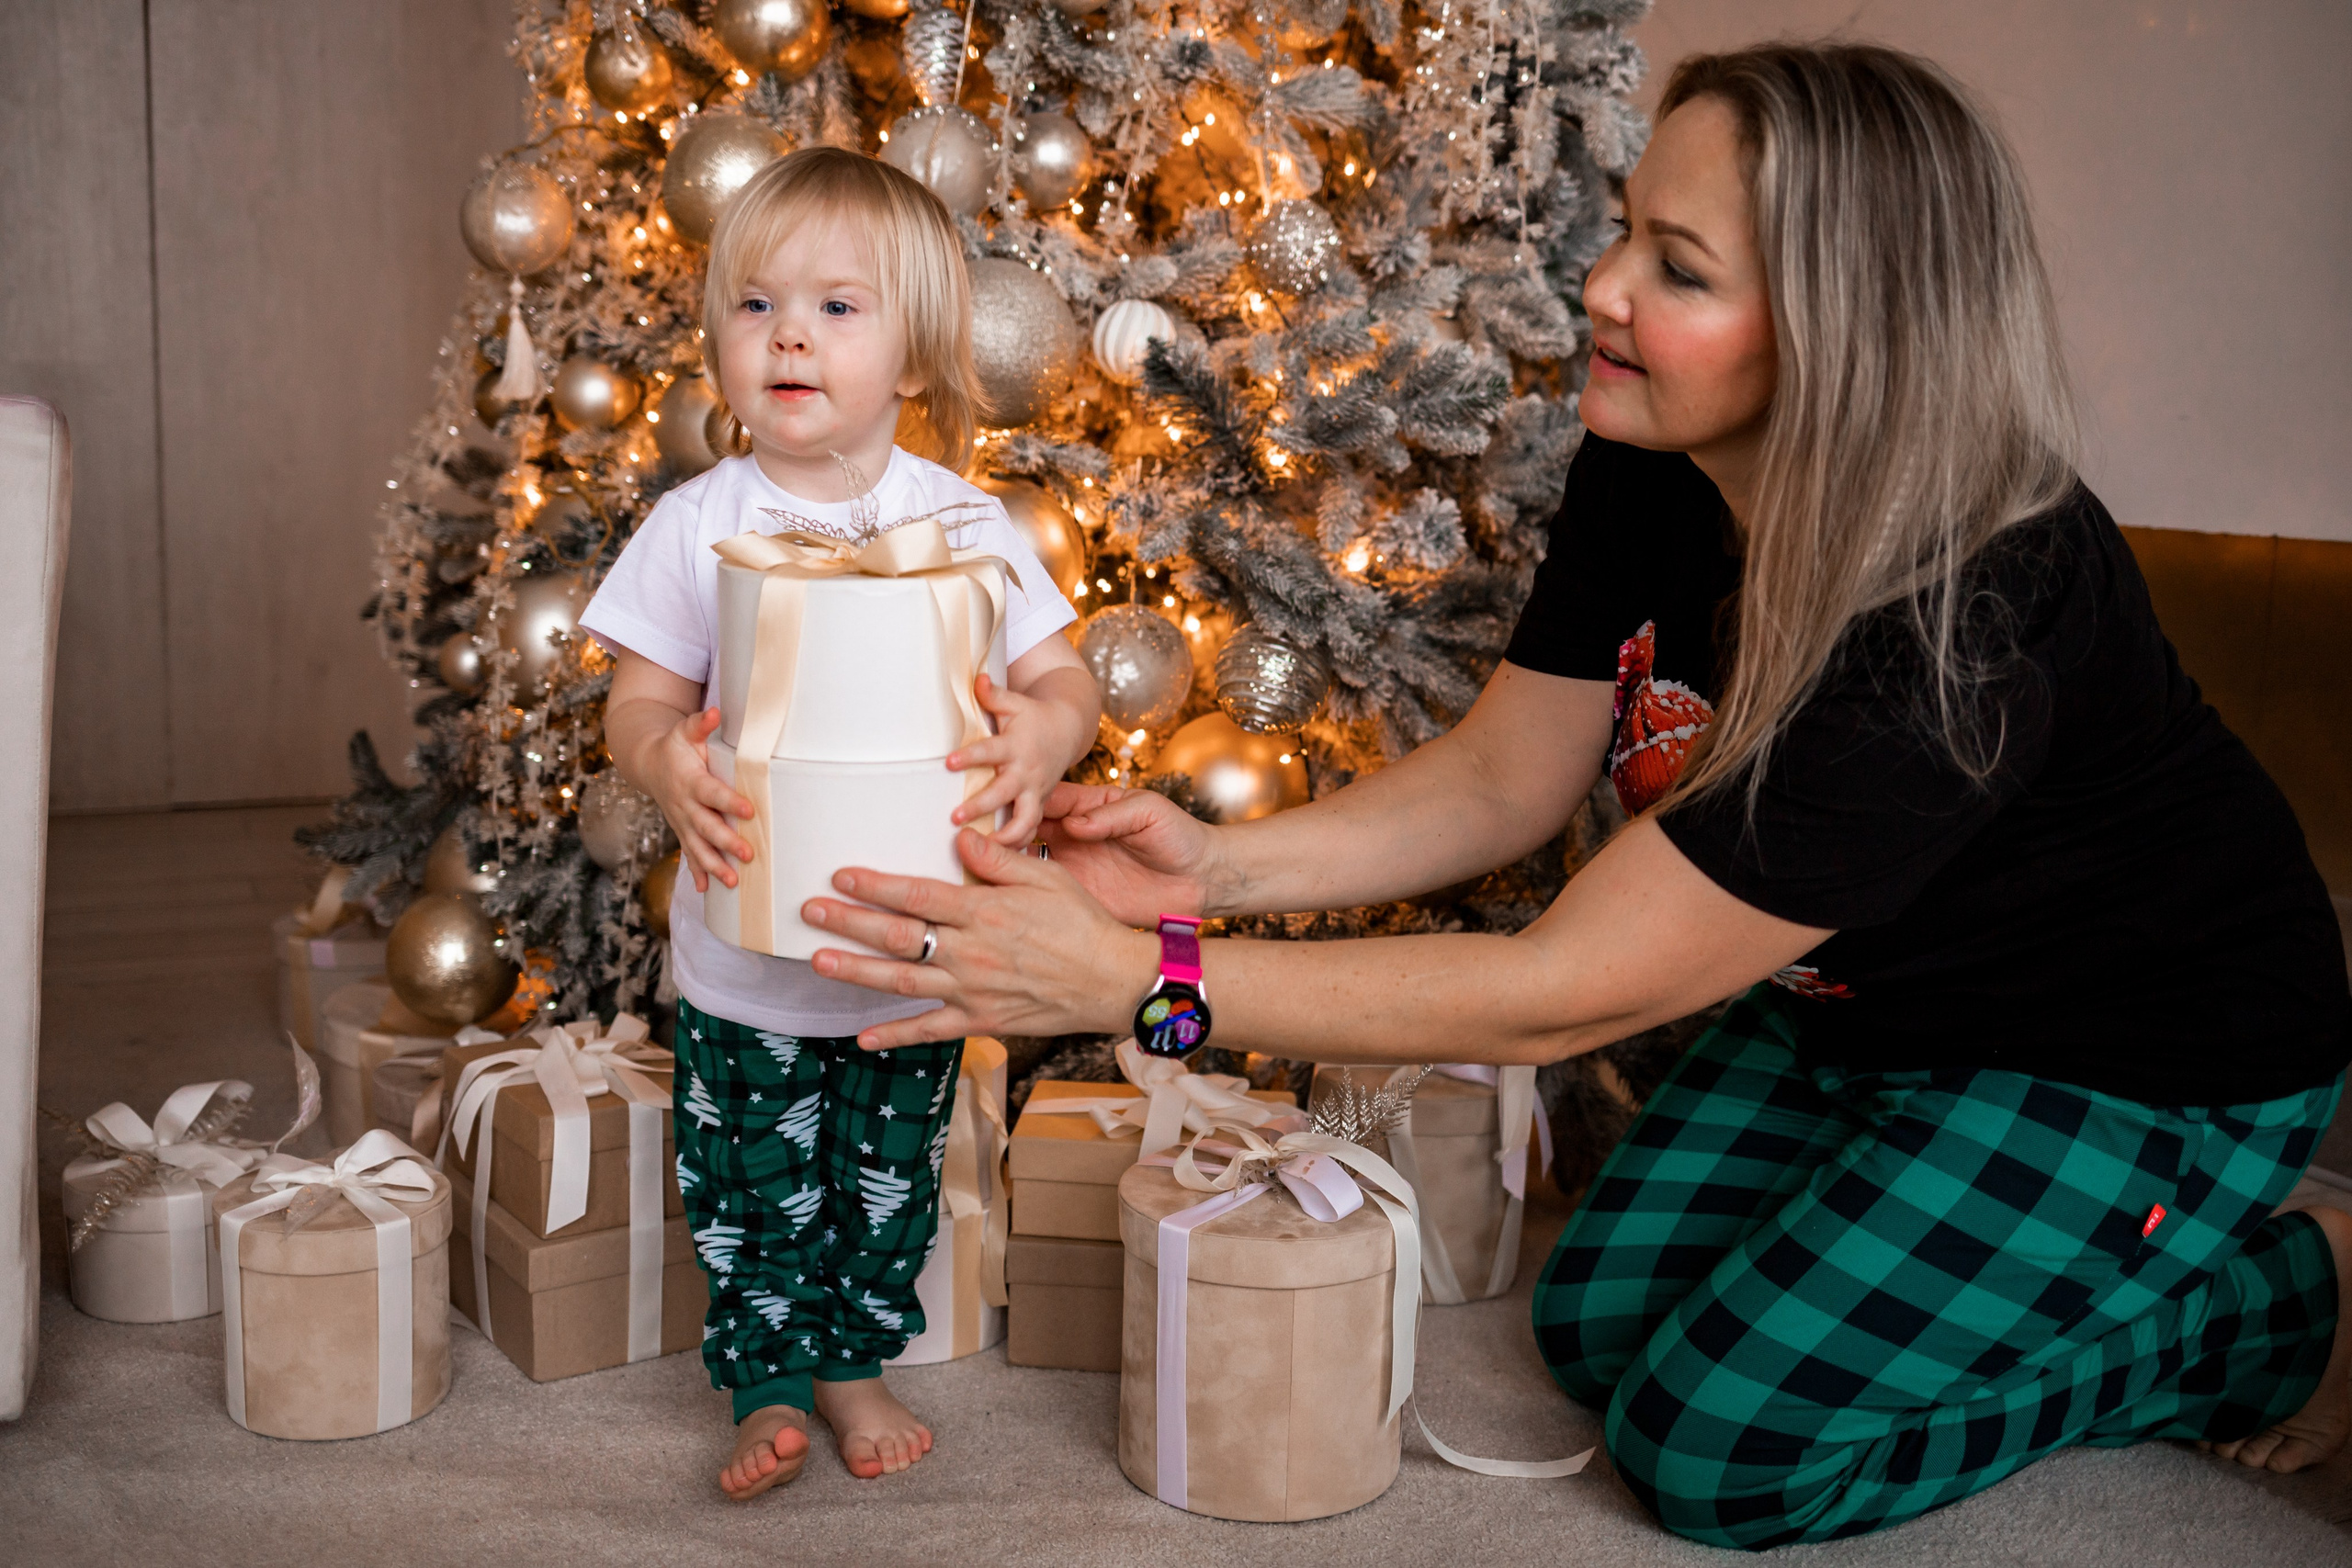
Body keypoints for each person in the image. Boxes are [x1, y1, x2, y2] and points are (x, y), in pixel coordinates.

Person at [796, 45, 2352, 1549]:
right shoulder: (1661, 456)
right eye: (1628, 229)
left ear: (1842, 329)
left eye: (1678, 268)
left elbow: (1553, 997)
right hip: (1867, 1013)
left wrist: (1154, 984)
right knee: (1600, 1329)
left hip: (2130, 1061)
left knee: (1723, 1452)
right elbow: (1501, 778)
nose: (1603, 286)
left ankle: (2272, 1307)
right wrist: (1207, 871)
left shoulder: (1969, 616)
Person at [582, 147, 1098, 1500]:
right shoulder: (697, 528)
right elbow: (635, 704)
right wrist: (663, 764)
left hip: (909, 945)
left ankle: (855, 1359)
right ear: (721, 347)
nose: (790, 334)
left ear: (917, 358)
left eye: (836, 307)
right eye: (755, 308)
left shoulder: (968, 525)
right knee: (750, 1178)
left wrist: (1041, 736)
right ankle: (762, 1378)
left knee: (885, 1175)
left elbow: (1065, 683)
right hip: (745, 945)